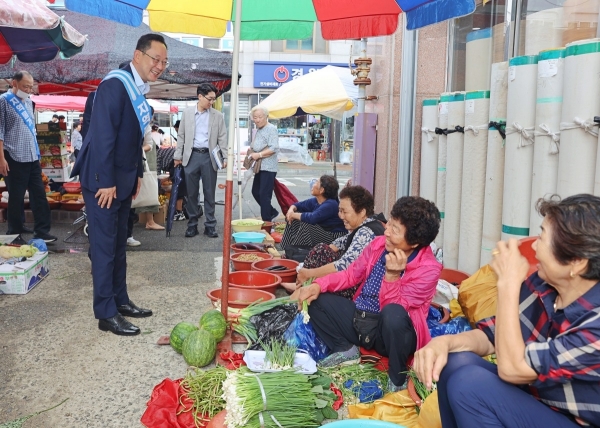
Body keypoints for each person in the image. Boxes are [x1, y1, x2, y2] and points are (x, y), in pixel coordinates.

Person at [414, 193, 600, 428]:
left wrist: (508, 284)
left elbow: (513, 369)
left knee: (470, 385)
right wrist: (445, 343)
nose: (533, 246)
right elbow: (492, 337)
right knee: (454, 363)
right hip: (539, 401)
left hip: (573, 421)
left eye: (542, 237)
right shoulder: (545, 285)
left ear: (577, 262)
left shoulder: (595, 326)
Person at [71, 33, 168, 336]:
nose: (160, 66)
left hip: (123, 179)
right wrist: (107, 182)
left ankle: (120, 300)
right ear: (138, 55)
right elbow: (101, 137)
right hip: (104, 182)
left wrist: (137, 174)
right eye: (156, 59)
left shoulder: (136, 90)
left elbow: (131, 142)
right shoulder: (114, 85)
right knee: (104, 248)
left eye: (164, 62)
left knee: (118, 246)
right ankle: (105, 312)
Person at [296, 196, 441, 391]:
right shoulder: (378, 245)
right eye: (389, 224)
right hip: (361, 319)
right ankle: (346, 349)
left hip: (389, 334)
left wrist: (392, 275)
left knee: (394, 314)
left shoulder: (428, 269)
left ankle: (396, 379)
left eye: (395, 230)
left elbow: (393, 308)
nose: (386, 232)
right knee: (316, 300)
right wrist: (317, 285)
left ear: (414, 243)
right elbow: (350, 275)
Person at [283, 186, 385, 298]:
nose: (340, 216)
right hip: (352, 278)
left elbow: (344, 266)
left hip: (357, 289)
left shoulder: (366, 232)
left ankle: (302, 288)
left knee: (321, 251)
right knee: (322, 251)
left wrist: (309, 273)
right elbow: (342, 241)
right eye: (340, 211)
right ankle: (301, 286)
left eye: (344, 212)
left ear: (362, 212)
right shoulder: (368, 224)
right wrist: (326, 250)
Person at [0, 70, 56, 242]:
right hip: (13, 156)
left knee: (39, 193)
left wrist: (37, 153)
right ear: (14, 84)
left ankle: (42, 231)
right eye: (25, 86)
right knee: (16, 196)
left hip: (32, 156)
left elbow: (31, 130)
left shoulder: (28, 102)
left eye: (31, 87)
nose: (29, 90)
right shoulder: (3, 102)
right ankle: (14, 232)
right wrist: (1, 158)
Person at [174, 83, 227, 238]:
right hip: (191, 157)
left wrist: (224, 157)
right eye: (209, 99)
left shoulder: (217, 115)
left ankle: (210, 225)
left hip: (209, 156)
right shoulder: (187, 113)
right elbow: (181, 136)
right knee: (191, 194)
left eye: (213, 99)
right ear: (200, 96)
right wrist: (178, 156)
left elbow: (222, 137)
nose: (211, 102)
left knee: (209, 192)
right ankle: (192, 225)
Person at [280, 175, 346, 251]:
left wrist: (293, 215)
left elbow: (312, 218)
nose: (313, 184)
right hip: (323, 232)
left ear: (321, 190)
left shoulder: (331, 204)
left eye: (316, 182)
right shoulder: (316, 200)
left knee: (306, 223)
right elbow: (297, 205)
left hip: (333, 237)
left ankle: (295, 251)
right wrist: (291, 210)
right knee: (295, 218)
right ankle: (285, 249)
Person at [248, 105, 279, 222]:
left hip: (268, 167)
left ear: (266, 116)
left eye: (260, 117)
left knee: (264, 195)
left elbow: (274, 148)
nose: (257, 120)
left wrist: (259, 155)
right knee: (255, 191)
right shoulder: (260, 129)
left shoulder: (271, 128)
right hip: (260, 167)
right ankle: (271, 212)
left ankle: (266, 221)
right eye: (255, 117)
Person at [136, 118, 164, 231]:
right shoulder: (142, 126)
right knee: (148, 189)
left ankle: (149, 220)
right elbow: (148, 146)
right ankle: (150, 221)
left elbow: (149, 145)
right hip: (143, 164)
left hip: (144, 164)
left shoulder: (145, 128)